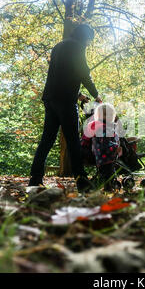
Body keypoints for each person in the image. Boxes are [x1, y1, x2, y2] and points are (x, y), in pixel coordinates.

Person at [29, 24, 102, 191]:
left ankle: (35, 178)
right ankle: (82, 181)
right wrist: (96, 94)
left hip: (50, 98)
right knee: (73, 142)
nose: (88, 43)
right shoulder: (77, 46)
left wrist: (79, 95)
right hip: (65, 101)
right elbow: (83, 72)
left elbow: (61, 74)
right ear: (84, 37)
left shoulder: (59, 46)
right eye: (89, 39)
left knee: (46, 140)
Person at [81, 103, 122, 191]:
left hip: (87, 152)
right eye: (106, 114)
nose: (109, 116)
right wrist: (116, 147)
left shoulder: (96, 125)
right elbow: (104, 144)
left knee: (107, 165)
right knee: (108, 165)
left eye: (111, 114)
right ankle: (108, 185)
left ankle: (106, 183)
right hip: (98, 154)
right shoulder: (101, 127)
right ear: (98, 115)